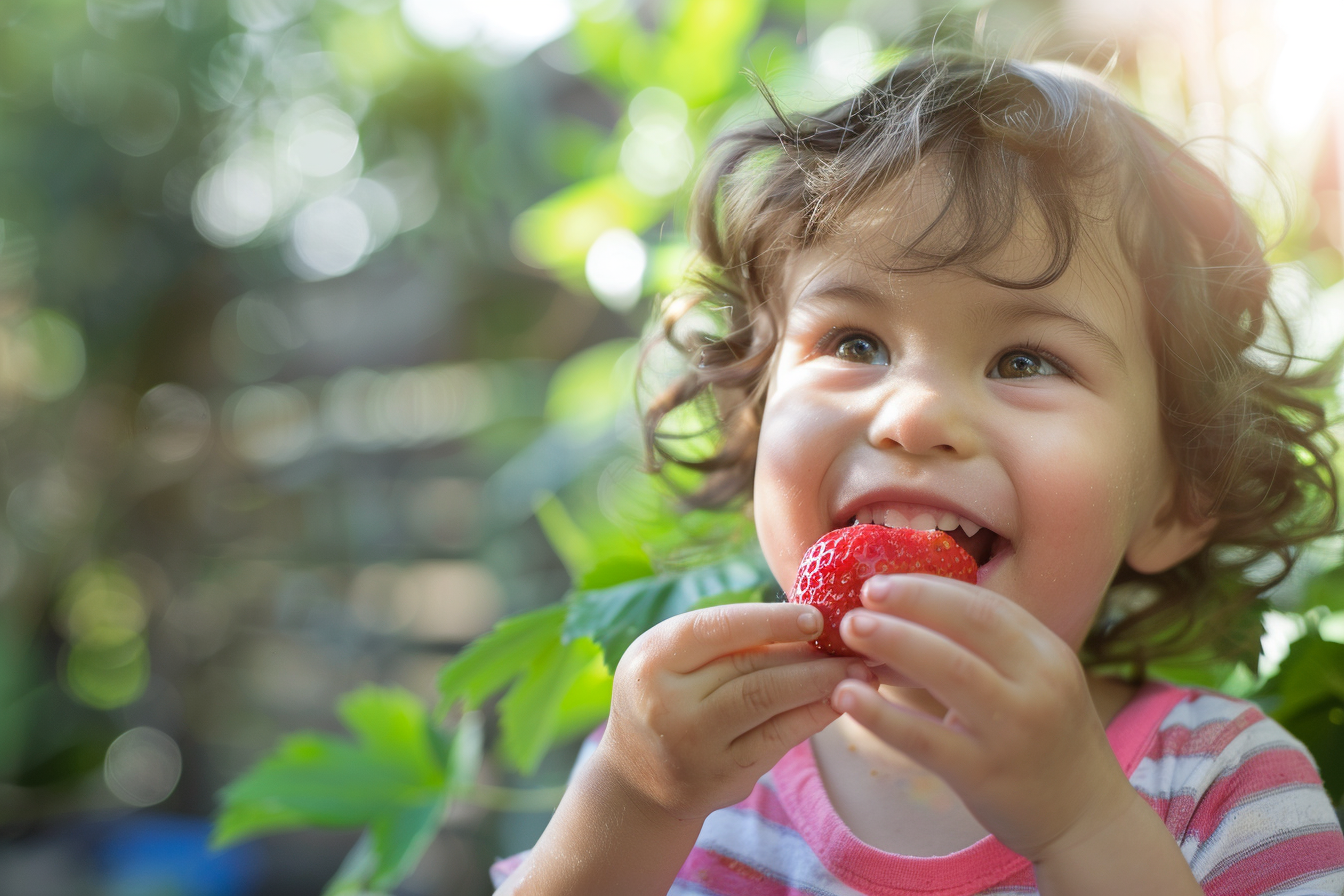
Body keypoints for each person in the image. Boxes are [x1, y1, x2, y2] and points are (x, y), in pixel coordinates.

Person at [491, 53, 1344, 895]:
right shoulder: (686, 769)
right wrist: (633, 800)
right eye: (855, 344)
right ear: (755, 424)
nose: (913, 416)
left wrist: (1083, 825)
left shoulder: (1225, 790)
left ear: (1175, 498)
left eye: (1024, 360)